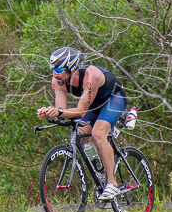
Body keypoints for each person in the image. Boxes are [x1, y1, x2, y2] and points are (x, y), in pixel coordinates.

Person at [36, 46, 127, 201]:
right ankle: (101, 170)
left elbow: (79, 111)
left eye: (59, 70)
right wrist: (50, 114)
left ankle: (112, 183)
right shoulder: (58, 80)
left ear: (71, 68)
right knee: (80, 134)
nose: (55, 74)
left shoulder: (91, 77)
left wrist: (58, 112)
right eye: (53, 70)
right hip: (93, 105)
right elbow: (62, 111)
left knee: (98, 133)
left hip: (114, 99)